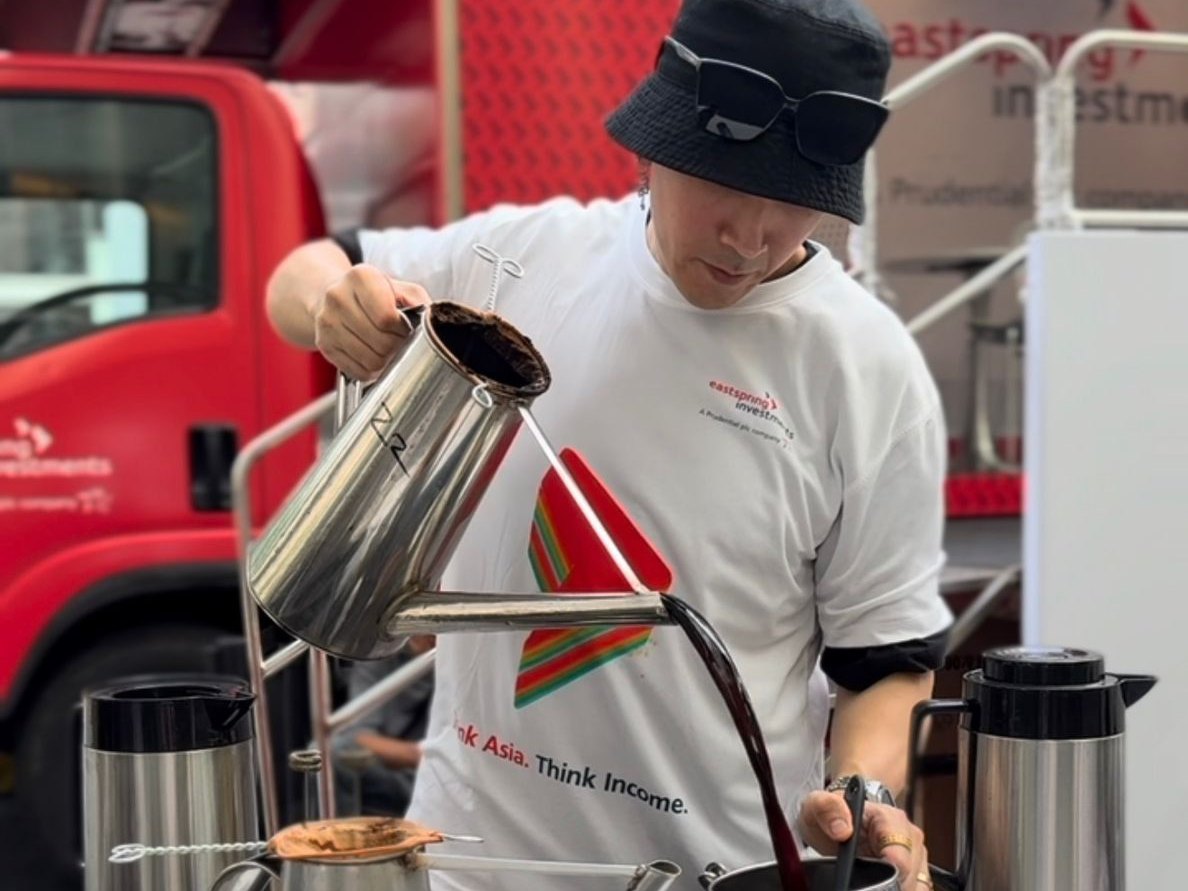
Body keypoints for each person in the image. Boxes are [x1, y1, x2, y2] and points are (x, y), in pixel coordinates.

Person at [265, 0, 951, 888]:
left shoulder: (868, 367)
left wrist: (862, 794)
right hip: (471, 862)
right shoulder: (529, 260)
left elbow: (885, 662)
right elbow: (306, 266)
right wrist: (334, 304)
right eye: (723, 189)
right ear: (654, 148)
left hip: (716, 867)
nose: (750, 241)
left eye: (790, 207)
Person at [331, 635, 435, 817]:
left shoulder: (464, 666)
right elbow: (358, 735)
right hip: (400, 770)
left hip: (438, 777)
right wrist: (416, 754)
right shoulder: (380, 655)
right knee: (328, 753)